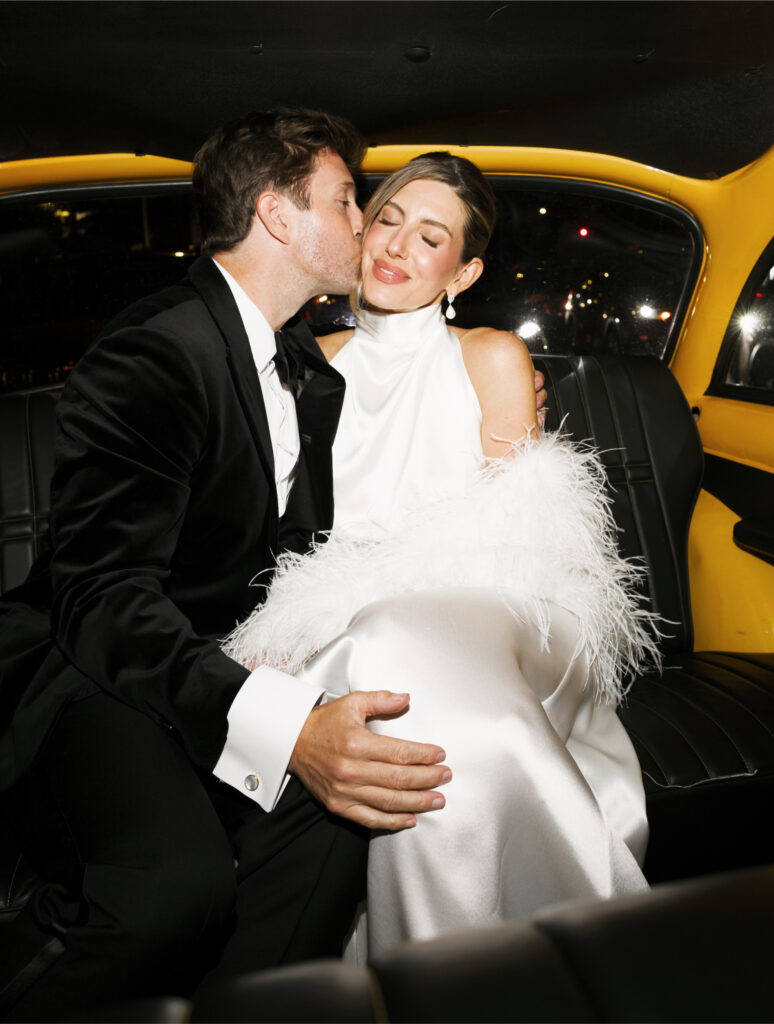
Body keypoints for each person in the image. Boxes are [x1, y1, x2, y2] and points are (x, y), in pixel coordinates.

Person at [0, 112, 538, 1019]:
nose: (368, 226)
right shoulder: (156, 351)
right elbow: (99, 596)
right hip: (92, 670)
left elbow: (297, 554)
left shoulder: (304, 368)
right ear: (279, 218)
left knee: (351, 808)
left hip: (222, 657)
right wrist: (282, 723)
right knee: (172, 894)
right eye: (346, 201)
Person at [223, 152, 658, 957]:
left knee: (398, 636)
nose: (394, 247)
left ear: (463, 272)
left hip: (501, 623)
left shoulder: (490, 358)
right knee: (385, 648)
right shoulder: (306, 366)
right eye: (384, 220)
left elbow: (521, 548)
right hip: (355, 635)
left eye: (429, 238)